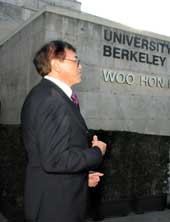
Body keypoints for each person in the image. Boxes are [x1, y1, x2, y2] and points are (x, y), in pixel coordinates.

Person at [21, 40, 107, 222]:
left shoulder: (49, 95)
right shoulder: (52, 99)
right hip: (55, 210)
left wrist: (82, 179)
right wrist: (96, 151)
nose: (80, 65)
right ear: (56, 64)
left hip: (58, 200)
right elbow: (55, 160)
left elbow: (52, 157)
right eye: (75, 60)